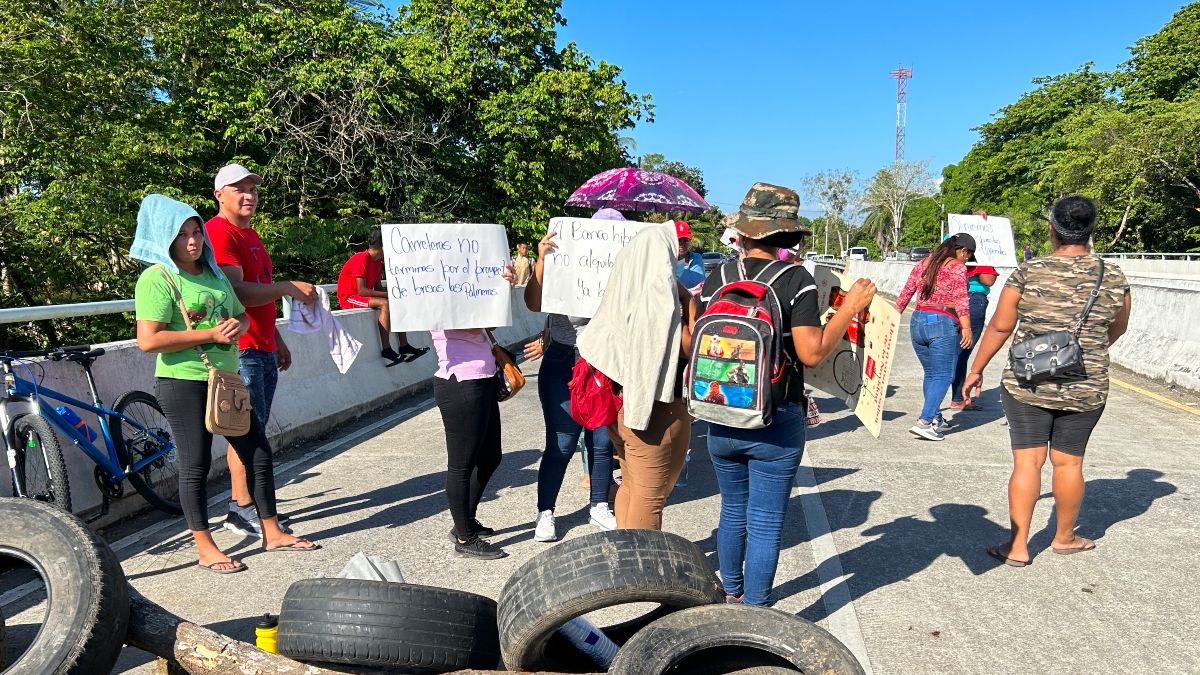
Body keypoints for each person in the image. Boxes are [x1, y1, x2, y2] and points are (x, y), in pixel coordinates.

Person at [700, 182, 875, 606]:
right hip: (775, 419)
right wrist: (849, 308)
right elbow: (811, 353)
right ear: (789, 235)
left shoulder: (716, 276)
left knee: (732, 510)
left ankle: (732, 594)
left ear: (742, 233)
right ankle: (758, 608)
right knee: (764, 518)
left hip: (721, 412)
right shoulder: (795, 279)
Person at [131, 194, 318, 574]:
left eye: (196, 231)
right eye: (182, 235)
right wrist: (210, 336)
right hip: (183, 381)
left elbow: (241, 318)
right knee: (196, 464)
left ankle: (272, 532)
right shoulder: (158, 278)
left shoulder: (215, 274)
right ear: (166, 239)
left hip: (226, 380)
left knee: (258, 453)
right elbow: (148, 340)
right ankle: (205, 546)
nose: (193, 241)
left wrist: (238, 326)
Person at [963, 195, 1131, 567]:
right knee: (1070, 465)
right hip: (1086, 386)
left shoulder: (1028, 272)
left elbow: (1001, 325)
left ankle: (1018, 546)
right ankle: (1064, 537)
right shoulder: (1114, 276)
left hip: (1027, 382)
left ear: (1052, 229)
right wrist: (1083, 350)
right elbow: (1116, 328)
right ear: (1090, 229)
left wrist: (976, 369)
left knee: (1027, 463)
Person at [204, 163, 315, 537]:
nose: (249, 194)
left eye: (252, 188)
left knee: (255, 429)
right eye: (239, 189)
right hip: (243, 349)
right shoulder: (220, 233)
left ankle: (248, 503)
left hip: (262, 345)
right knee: (245, 432)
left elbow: (259, 295)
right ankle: (241, 506)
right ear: (220, 194)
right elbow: (236, 293)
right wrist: (287, 287)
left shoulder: (249, 234)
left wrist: (278, 340)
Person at [578, 223, 697, 530]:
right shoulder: (658, 301)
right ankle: (642, 577)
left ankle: (624, 566)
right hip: (654, 411)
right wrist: (692, 306)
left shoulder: (626, 294)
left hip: (617, 405)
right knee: (649, 498)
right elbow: (690, 345)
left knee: (630, 485)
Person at [521, 211, 620, 542]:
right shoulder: (563, 265)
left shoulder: (623, 274)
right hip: (563, 360)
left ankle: (599, 505)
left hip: (604, 362)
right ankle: (545, 512)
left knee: (602, 441)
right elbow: (534, 303)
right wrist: (541, 259)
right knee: (562, 442)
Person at [433, 267, 517, 560]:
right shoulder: (436, 291)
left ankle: (464, 523)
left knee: (491, 456)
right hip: (459, 382)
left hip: (481, 378)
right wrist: (499, 293)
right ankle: (465, 539)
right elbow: (472, 324)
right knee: (461, 466)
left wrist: (499, 288)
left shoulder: (465, 287)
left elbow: (487, 328)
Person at [895, 233, 975, 441]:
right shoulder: (956, 267)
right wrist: (966, 327)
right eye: (968, 255)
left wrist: (894, 315)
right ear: (962, 251)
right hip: (941, 322)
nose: (967, 260)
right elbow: (961, 299)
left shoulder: (925, 262)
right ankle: (925, 421)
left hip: (917, 321)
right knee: (943, 375)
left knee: (931, 373)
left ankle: (936, 418)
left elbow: (906, 291)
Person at [336, 228, 428, 366]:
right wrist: (387, 295)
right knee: (385, 304)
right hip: (349, 297)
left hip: (362, 296)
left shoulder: (377, 261)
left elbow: (377, 287)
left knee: (396, 301)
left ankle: (404, 346)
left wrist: (399, 292)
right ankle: (386, 349)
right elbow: (361, 291)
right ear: (383, 246)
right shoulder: (361, 258)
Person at [950, 214, 998, 411]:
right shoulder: (956, 244)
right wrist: (981, 259)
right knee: (962, 352)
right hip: (973, 300)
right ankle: (958, 397)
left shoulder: (949, 241)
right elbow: (988, 281)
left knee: (955, 351)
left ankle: (950, 398)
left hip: (952, 300)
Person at [675, 220, 706, 293]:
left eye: (685, 240)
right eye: (679, 241)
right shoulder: (670, 262)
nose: (682, 245)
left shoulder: (697, 258)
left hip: (699, 302)